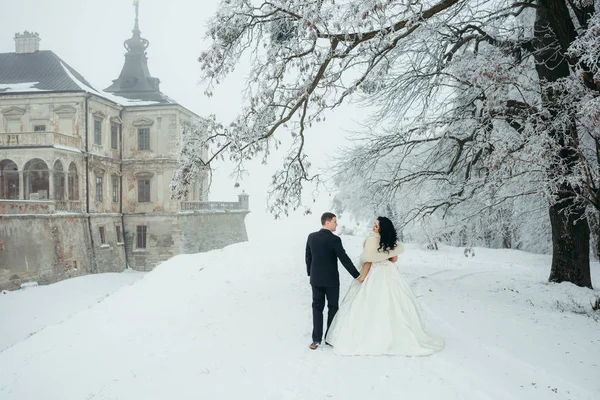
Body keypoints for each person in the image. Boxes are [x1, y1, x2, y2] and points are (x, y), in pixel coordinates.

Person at [326, 216, 445, 356]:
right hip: (389, 273)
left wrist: (363, 276)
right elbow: (393, 259)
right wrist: (384, 255)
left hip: (375, 273)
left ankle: (370, 338)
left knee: (369, 303)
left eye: (376, 226)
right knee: (392, 302)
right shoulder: (389, 240)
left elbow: (368, 260)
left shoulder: (372, 239)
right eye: (374, 225)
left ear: (381, 228)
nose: (373, 227)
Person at [305, 212, 361, 350]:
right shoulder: (335, 240)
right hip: (331, 281)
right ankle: (329, 339)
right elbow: (344, 259)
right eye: (335, 221)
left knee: (317, 308)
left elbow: (308, 257)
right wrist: (357, 275)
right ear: (327, 222)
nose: (337, 224)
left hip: (316, 279)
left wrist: (310, 273)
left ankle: (316, 340)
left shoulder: (311, 237)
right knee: (333, 308)